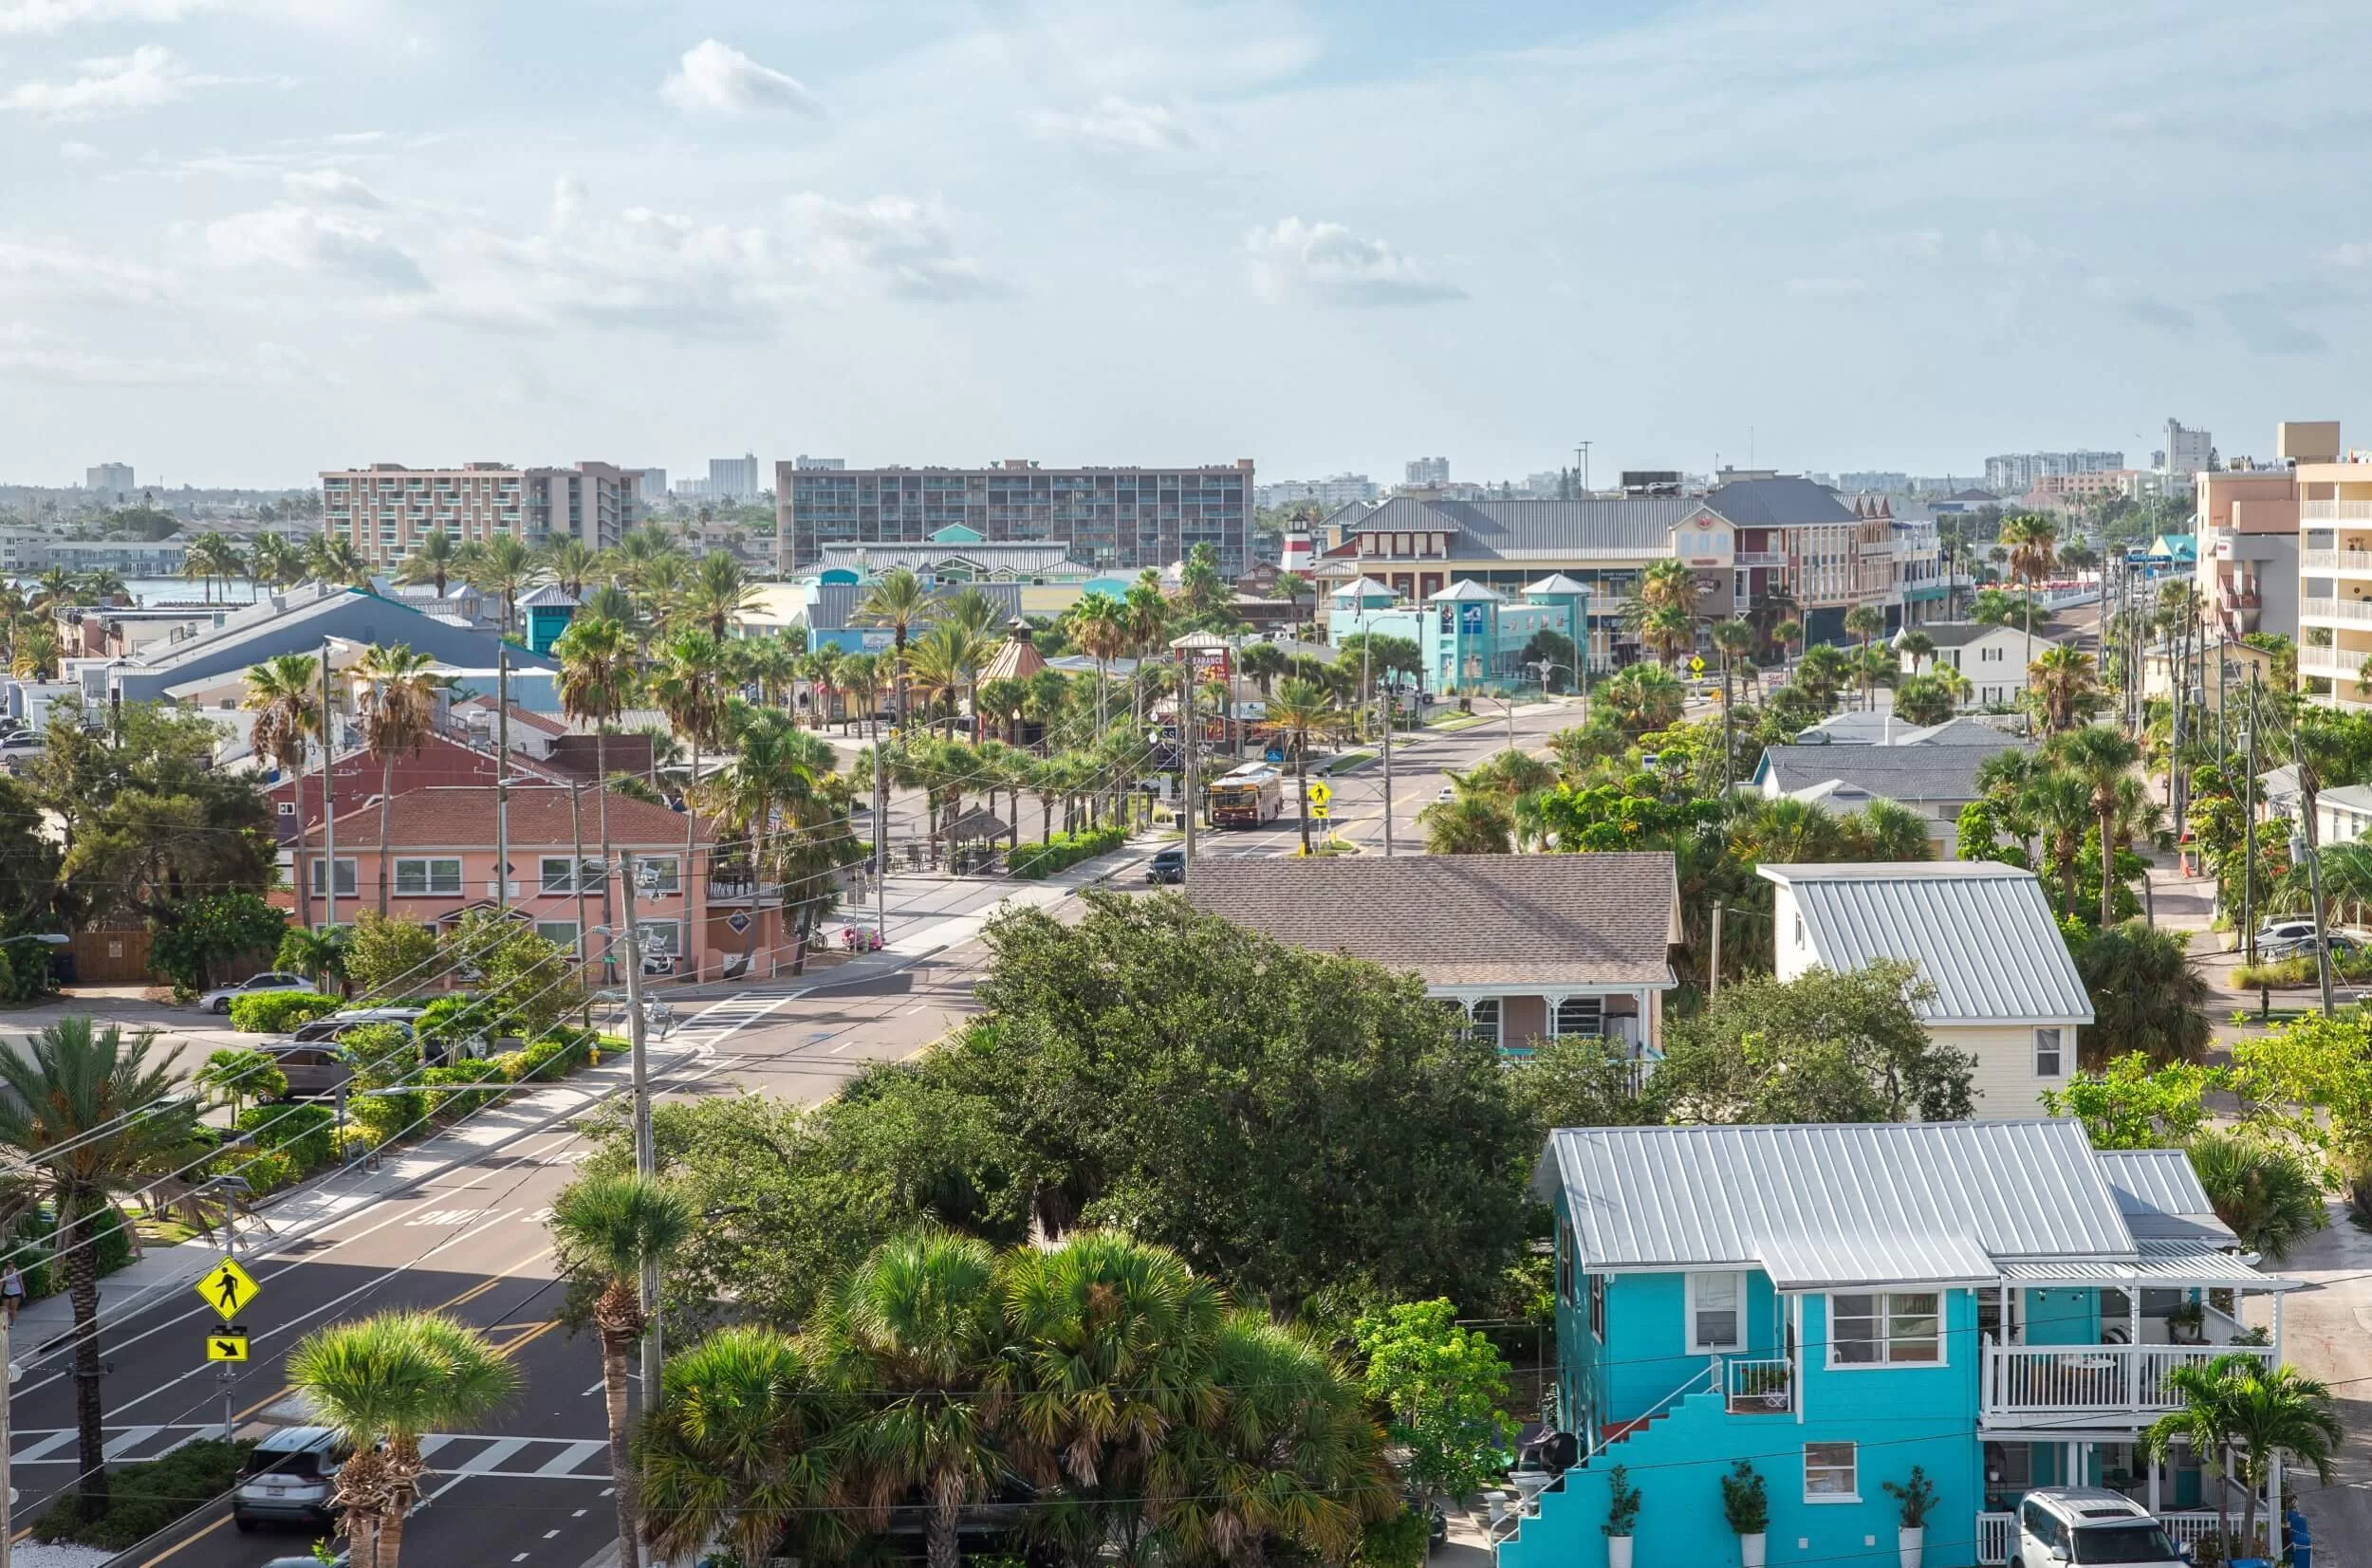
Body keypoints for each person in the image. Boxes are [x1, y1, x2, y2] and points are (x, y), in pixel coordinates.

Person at [2, 1260, 25, 1326]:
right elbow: (2, 1282)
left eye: (10, 1263)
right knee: (5, 1308)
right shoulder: (4, 1271)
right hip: (7, 1291)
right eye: (8, 1263)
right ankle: (6, 1322)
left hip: (16, 1292)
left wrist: (23, 1291)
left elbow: (20, 1282)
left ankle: (13, 1322)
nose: (9, 1264)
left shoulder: (17, 1271)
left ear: (13, 1264)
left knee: (13, 1308)